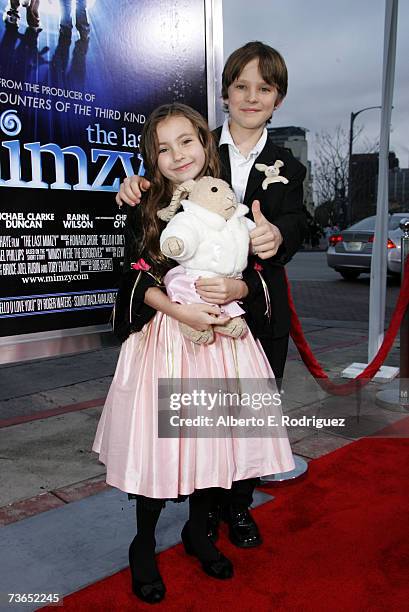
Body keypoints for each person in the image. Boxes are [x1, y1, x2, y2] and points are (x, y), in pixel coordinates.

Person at [93, 102, 295, 604]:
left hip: (225, 343)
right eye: (163, 147)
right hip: (167, 342)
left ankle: (199, 532)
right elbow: (132, 276)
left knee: (215, 443)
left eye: (186, 141)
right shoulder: (143, 204)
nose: (176, 154)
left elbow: (257, 275)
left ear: (206, 143)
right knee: (162, 448)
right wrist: (181, 313)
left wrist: (237, 288)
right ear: (151, 157)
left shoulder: (233, 201)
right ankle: (143, 543)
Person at [116, 42, 307, 549]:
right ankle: (175, 523)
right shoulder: (198, 151)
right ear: (223, 95)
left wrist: (276, 239)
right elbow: (157, 193)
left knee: (242, 420)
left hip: (255, 310)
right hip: (180, 321)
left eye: (263, 88)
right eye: (241, 86)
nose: (251, 97)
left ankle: (234, 509)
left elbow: (295, 224)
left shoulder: (288, 161)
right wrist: (135, 185)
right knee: (186, 425)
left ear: (277, 98)